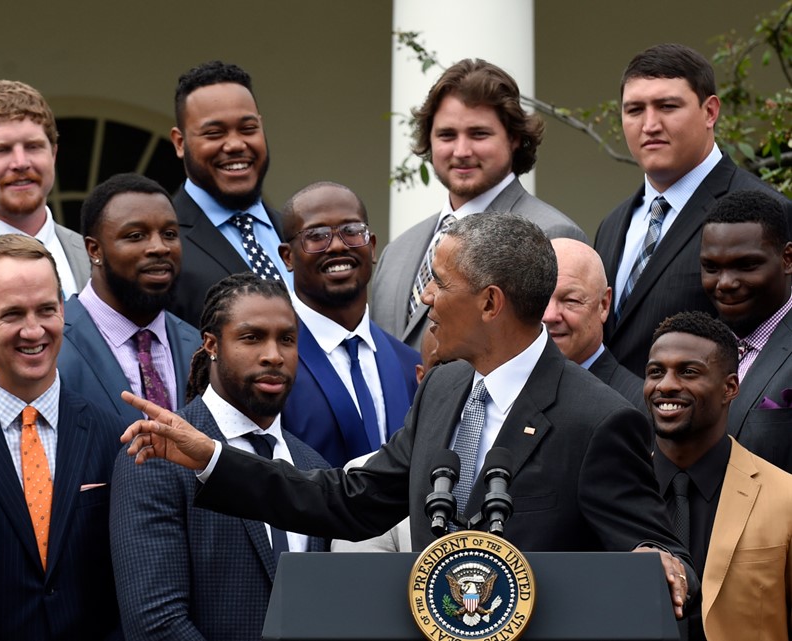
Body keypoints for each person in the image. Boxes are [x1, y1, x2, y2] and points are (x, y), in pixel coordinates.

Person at [121, 213, 697, 620]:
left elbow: (659, 552)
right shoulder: (444, 388)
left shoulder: (599, 418)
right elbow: (349, 501)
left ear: (491, 303)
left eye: (439, 283)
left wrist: (662, 561)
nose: (423, 299)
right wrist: (213, 458)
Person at [0, 235, 123, 641]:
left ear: (62, 309)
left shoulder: (112, 435)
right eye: (12, 314)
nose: (34, 331)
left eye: (46, 310)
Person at [110, 273, 329, 641]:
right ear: (212, 344)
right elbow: (155, 623)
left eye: (286, 340)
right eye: (252, 337)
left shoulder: (314, 467)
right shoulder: (156, 456)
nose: (273, 356)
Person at [595, 43, 792, 376]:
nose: (650, 125)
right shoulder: (613, 224)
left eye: (668, 106)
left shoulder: (765, 212)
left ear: (710, 112)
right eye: (634, 110)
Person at [371, 58, 586, 349]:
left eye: (478, 134)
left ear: (513, 138)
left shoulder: (551, 236)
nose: (461, 151)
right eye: (447, 135)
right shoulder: (397, 252)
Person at [646, 311, 792, 641]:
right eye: (656, 372)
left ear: (729, 387)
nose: (666, 385)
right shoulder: (613, 495)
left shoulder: (785, 498)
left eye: (688, 372)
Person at [277, 182, 420, 467]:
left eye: (352, 231)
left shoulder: (410, 365)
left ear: (373, 246)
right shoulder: (270, 361)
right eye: (317, 236)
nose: (339, 246)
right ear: (287, 257)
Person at [60, 173, 200, 426]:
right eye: (136, 236)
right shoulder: (53, 343)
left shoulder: (198, 346)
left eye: (169, 234)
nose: (159, 247)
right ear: (95, 250)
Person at [167, 61, 290, 328]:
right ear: (180, 142)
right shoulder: (164, 245)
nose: (235, 144)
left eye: (248, 129)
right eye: (214, 133)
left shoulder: (296, 233)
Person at [0, 80, 89, 298]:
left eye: (33, 147)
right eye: (2, 150)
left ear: (53, 154)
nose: (21, 162)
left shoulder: (93, 257)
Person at [699, 189, 792, 473]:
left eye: (746, 265)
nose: (725, 283)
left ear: (788, 259)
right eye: (711, 268)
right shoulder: (693, 345)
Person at [330, 330, 444, 553]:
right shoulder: (364, 474)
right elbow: (359, 585)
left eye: (471, 365)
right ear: (422, 378)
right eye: (445, 365)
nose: (464, 378)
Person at [544, 238, 645, 412]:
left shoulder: (635, 407)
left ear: (604, 305)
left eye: (571, 300)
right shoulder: (506, 386)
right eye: (541, 299)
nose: (549, 315)